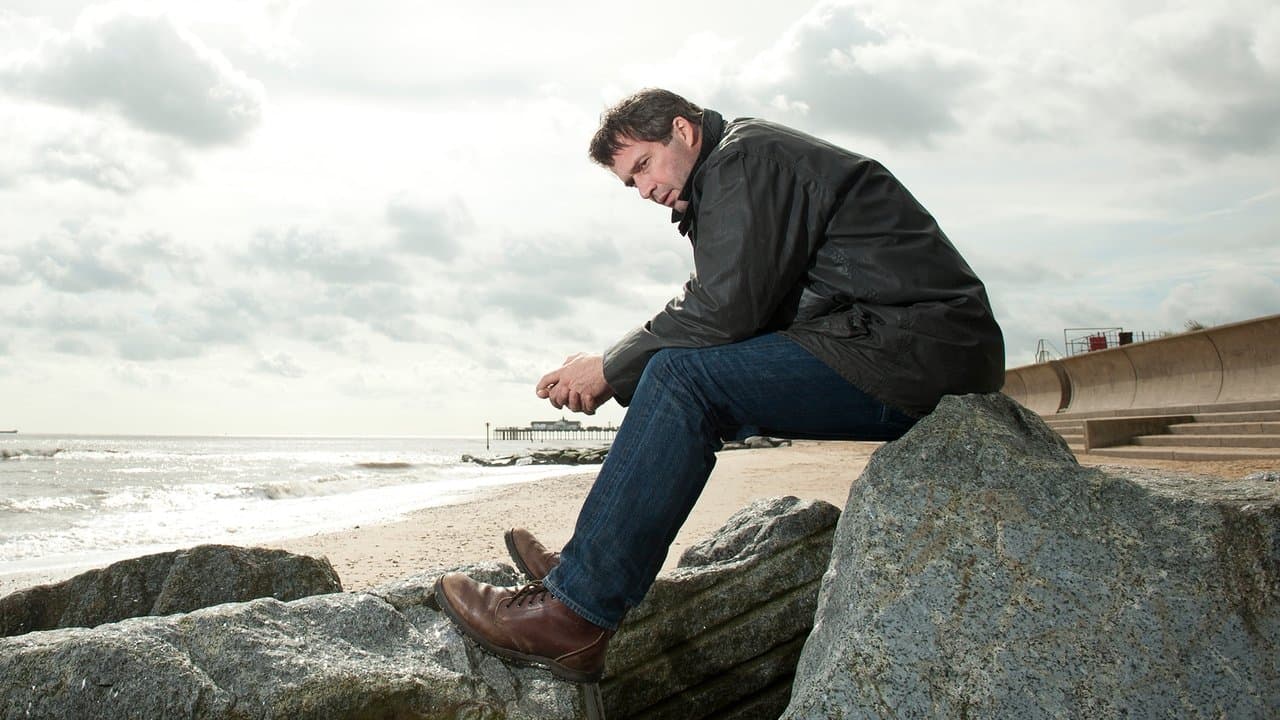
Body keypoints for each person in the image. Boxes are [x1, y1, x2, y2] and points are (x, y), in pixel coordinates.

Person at [434, 88, 1004, 683]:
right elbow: (725, 308)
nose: (645, 190)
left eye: (644, 165)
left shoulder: (745, 160)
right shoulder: (731, 171)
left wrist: (607, 368)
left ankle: (574, 614)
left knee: (682, 381)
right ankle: (590, 562)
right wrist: (615, 361)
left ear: (683, 131)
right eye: (631, 183)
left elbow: (723, 311)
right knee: (684, 372)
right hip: (895, 343)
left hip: (916, 348)